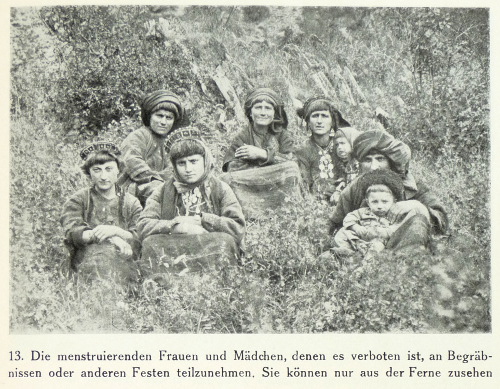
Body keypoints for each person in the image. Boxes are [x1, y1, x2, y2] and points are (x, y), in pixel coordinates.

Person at [137, 134, 245, 275]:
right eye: (181, 163)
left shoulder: (220, 188)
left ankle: (215, 282)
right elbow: (143, 226)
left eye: (194, 161)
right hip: (173, 244)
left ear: (205, 161)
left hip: (209, 245)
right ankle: (161, 285)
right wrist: (177, 225)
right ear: (174, 166)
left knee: (226, 240)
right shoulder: (163, 190)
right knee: (150, 243)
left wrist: (202, 220)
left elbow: (237, 226)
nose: (188, 169)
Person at [329, 129, 448, 251]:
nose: (374, 167)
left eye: (380, 159)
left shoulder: (412, 186)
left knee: (418, 221)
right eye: (367, 160)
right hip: (365, 249)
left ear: (391, 162)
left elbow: (442, 220)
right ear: (360, 164)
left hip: (404, 246)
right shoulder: (354, 189)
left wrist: (418, 207)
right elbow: (334, 225)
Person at [60, 142, 142, 286]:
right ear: (89, 172)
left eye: (109, 169)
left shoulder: (131, 202)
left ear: (118, 170)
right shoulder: (79, 199)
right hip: (88, 259)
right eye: (97, 170)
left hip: (124, 260)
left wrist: (115, 231)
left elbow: (139, 236)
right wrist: (112, 238)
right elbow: (73, 232)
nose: (103, 176)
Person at [220, 87, 301, 217]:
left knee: (292, 168)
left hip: (277, 184)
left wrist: (261, 154)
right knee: (225, 179)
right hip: (252, 184)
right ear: (250, 113)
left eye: (268, 108)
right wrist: (258, 168)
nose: (263, 112)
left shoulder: (282, 135)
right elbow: (231, 166)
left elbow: (292, 161)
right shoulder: (243, 136)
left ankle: (286, 209)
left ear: (275, 113)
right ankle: (250, 212)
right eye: (258, 107)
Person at [119, 90, 186, 205]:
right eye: (159, 116)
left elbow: (174, 167)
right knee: (162, 192)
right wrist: (159, 181)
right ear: (150, 116)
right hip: (134, 188)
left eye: (169, 118)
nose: (163, 122)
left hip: (163, 185)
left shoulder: (172, 142)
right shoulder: (139, 136)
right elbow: (133, 163)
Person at [333, 169, 406, 256]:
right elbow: (349, 218)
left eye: (384, 202)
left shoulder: (394, 214)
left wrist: (384, 231)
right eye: (375, 202)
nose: (379, 206)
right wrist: (356, 227)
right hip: (360, 238)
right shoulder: (363, 211)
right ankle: (348, 251)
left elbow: (398, 227)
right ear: (368, 202)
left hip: (379, 240)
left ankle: (368, 258)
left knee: (379, 246)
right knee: (343, 233)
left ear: (394, 201)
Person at [294, 96, 354, 201]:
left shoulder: (342, 145)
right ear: (307, 121)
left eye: (325, 116)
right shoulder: (302, 150)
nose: (319, 121)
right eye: (315, 116)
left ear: (333, 121)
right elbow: (305, 186)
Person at [330, 127, 360, 205]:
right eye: (336, 145)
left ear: (352, 143)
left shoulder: (359, 163)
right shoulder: (342, 164)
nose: (339, 147)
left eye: (343, 143)